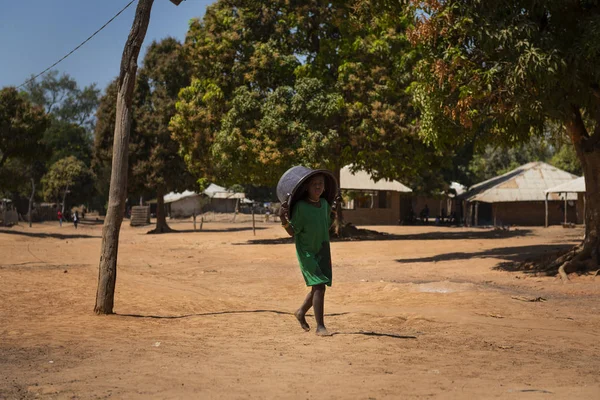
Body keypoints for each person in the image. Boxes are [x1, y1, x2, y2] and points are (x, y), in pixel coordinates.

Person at [279, 173, 341, 336]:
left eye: (320, 184)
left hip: (322, 249)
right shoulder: (300, 207)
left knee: (319, 287)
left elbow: (326, 224)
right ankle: (320, 326)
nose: (318, 187)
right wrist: (283, 218)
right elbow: (293, 232)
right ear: (306, 187)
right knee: (319, 285)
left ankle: (300, 312)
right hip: (307, 252)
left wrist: (334, 210)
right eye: (314, 184)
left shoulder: (324, 205)